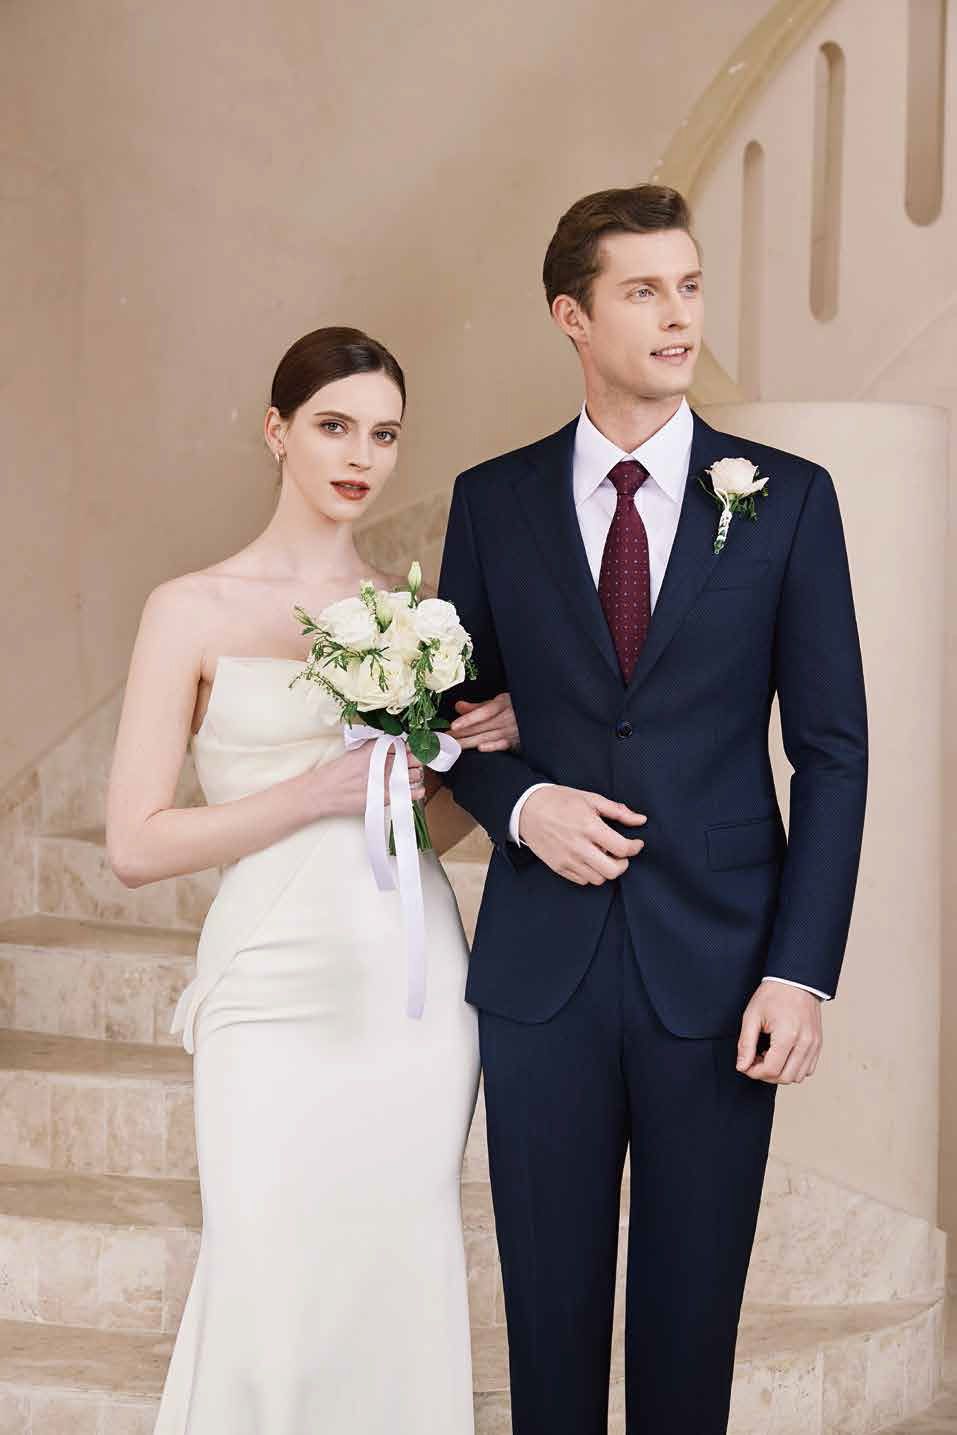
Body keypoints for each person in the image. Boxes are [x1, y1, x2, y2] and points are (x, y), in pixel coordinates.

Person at [437, 184, 868, 1434]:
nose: (678, 316)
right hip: (542, 980)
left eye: (687, 285)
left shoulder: (789, 499)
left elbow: (832, 754)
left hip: (724, 972)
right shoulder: (493, 500)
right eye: (643, 290)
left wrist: (803, 971)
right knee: (550, 1339)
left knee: (690, 1345)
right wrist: (524, 810)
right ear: (572, 317)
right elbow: (450, 728)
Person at [106, 326, 519, 1434]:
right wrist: (309, 794)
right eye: (335, 425)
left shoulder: (413, 620)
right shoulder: (186, 609)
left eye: (384, 434)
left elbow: (419, 836)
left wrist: (478, 753)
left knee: (398, 1267)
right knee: (268, 1272)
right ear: (278, 430)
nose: (362, 456)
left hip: (409, 985)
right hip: (271, 986)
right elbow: (135, 843)